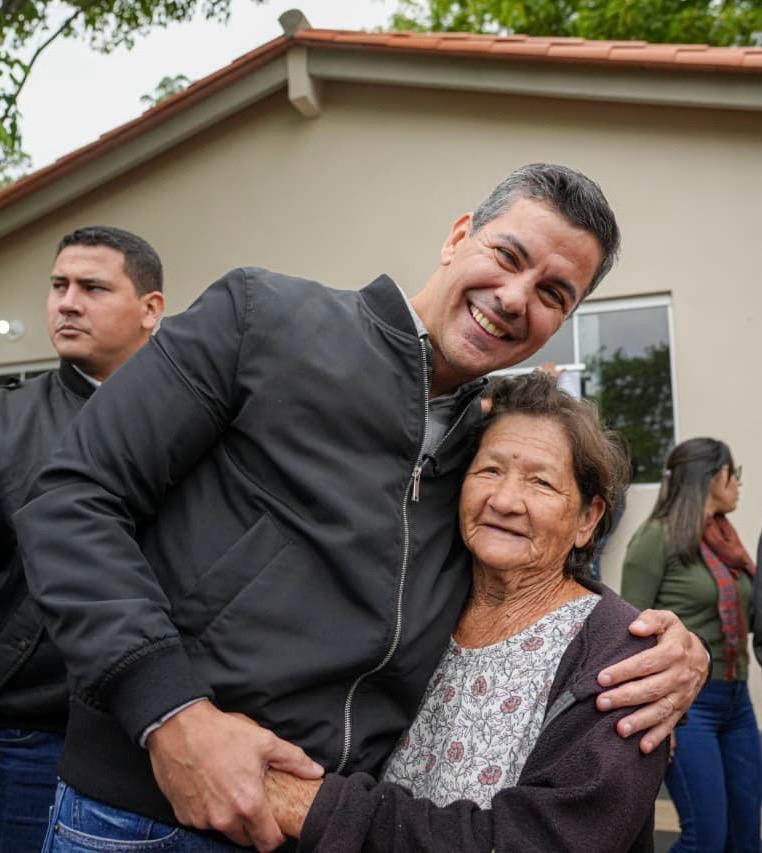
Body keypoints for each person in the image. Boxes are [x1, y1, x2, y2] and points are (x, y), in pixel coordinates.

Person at [14, 164, 708, 852]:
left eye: (554, 292)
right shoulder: (262, 318)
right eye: (507, 255)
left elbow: (523, 553)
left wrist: (650, 638)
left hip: (324, 825)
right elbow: (71, 497)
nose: (515, 296)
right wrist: (171, 713)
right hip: (153, 813)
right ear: (459, 235)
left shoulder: (484, 438)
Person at [262, 372, 668, 852]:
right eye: (489, 471)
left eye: (540, 482)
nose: (504, 501)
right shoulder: (416, 606)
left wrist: (317, 808)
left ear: (587, 518)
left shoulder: (624, 660)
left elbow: (542, 842)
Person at [0, 226, 165, 852]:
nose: (67, 302)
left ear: (150, 309)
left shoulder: (199, 421)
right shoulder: (9, 421)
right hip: (24, 736)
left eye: (92, 287)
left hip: (144, 742)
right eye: (58, 286)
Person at [621, 438, 760, 853]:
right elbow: (632, 631)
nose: (738, 484)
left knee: (746, 836)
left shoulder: (727, 543)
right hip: (688, 706)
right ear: (716, 476)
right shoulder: (654, 539)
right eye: (734, 474)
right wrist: (658, 711)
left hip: (736, 700)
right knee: (706, 840)